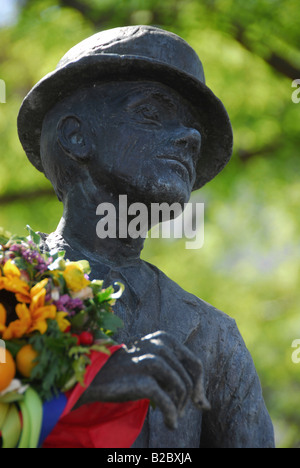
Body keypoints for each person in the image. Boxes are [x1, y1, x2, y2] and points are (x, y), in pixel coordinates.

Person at [17, 25, 275, 448]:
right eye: (152, 113)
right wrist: (81, 387)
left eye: (194, 128)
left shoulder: (214, 336)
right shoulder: (10, 285)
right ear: (75, 136)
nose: (190, 137)